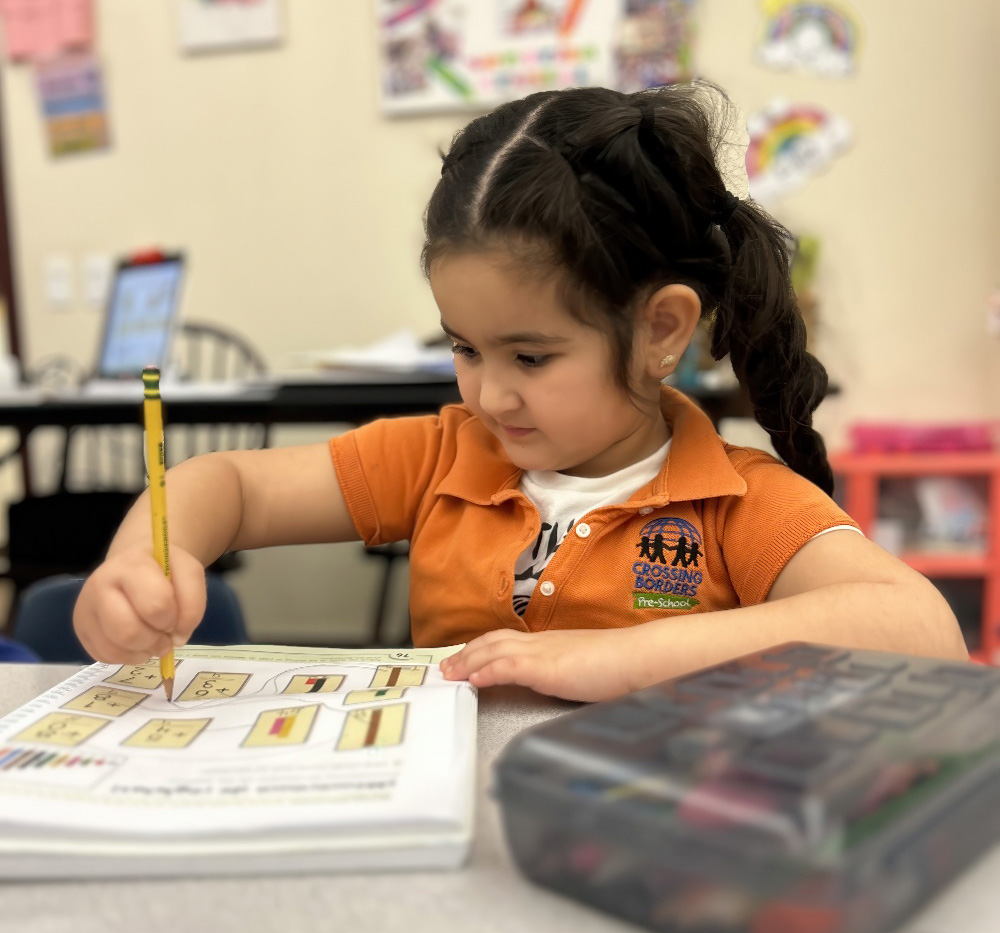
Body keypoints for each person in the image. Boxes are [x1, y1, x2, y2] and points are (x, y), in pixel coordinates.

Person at [73, 82, 967, 701]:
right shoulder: (440, 455)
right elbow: (226, 488)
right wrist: (144, 559)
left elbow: (919, 630)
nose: (489, 394)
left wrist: (630, 658)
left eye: (531, 357)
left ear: (661, 329)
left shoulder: (736, 502)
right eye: (465, 346)